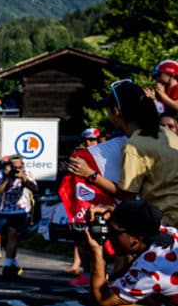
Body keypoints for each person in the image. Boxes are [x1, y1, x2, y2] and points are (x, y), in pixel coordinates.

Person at [66, 79, 178, 226]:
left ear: (116, 111)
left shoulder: (135, 145)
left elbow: (126, 195)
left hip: (166, 222)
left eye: (108, 110)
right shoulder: (166, 134)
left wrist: (90, 174)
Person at [0, 154, 38, 280]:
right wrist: (7, 178)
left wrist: (24, 179)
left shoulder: (26, 174)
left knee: (12, 235)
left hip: (18, 210)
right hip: (2, 210)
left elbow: (35, 189)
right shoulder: (0, 175)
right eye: (13, 166)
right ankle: (14, 263)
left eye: (19, 166)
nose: (16, 169)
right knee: (5, 240)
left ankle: (7, 267)